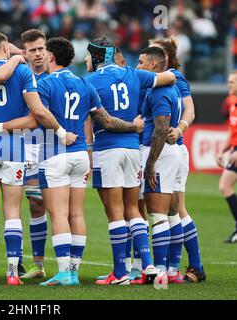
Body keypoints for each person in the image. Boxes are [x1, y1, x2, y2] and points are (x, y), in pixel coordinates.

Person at [0, 37, 144, 286]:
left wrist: (0, 126)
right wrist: (133, 126)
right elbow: (103, 118)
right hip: (82, 155)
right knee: (77, 214)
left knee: (58, 213)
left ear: (50, 56)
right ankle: (74, 269)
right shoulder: (84, 83)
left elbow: (36, 117)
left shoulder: (47, 84)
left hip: (55, 154)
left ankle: (64, 273)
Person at [0, 31, 77, 286]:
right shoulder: (22, 72)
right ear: (7, 49)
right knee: (12, 210)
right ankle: (11, 273)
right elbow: (36, 113)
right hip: (15, 142)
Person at [84, 37, 175, 285]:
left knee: (114, 212)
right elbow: (170, 77)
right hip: (133, 152)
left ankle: (120, 273)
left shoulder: (89, 81)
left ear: (97, 56)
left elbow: (103, 121)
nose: (85, 60)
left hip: (107, 150)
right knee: (133, 209)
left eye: (88, 56)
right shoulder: (133, 74)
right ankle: (147, 266)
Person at [150, 37, 206, 282]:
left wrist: (181, 128)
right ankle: (175, 268)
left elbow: (190, 108)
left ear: (166, 57)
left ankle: (193, 266)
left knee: (175, 209)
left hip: (173, 149)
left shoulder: (174, 76)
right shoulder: (157, 79)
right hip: (165, 149)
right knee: (170, 210)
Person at [137, 46, 183, 285]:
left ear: (153, 65)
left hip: (159, 155)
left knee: (157, 215)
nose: (138, 67)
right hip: (169, 154)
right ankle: (172, 270)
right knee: (169, 213)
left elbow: (162, 127)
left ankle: (162, 270)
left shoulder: (159, 92)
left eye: (141, 62)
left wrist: (150, 163)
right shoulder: (171, 88)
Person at [19, 28, 49, 279]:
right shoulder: (19, 74)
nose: (38, 54)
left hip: (54, 145)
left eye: (41, 48)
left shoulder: (59, 73)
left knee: (59, 204)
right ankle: (35, 265)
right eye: (32, 50)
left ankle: (67, 264)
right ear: (25, 52)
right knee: (33, 203)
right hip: (26, 145)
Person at [217, 71, 237, 244]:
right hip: (235, 150)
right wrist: (222, 150)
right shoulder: (233, 104)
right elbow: (232, 131)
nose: (229, 85)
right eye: (229, 82)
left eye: (232, 82)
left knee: (225, 185)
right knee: (225, 186)